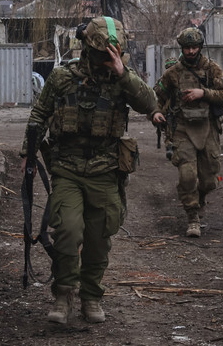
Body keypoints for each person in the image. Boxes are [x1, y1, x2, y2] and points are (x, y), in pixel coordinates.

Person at [20, 16, 156, 324]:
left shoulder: (122, 79)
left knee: (98, 239)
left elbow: (150, 103)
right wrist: (28, 154)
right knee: (67, 231)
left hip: (106, 170)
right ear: (88, 50)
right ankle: (63, 294)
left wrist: (123, 74)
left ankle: (91, 297)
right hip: (67, 168)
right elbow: (39, 114)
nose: (107, 59)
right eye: (102, 53)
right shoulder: (62, 78)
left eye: (114, 53)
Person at [150, 27, 223, 237]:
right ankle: (192, 217)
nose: (191, 51)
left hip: (208, 128)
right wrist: (156, 113)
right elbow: (157, 97)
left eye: (194, 47)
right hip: (182, 129)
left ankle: (201, 196)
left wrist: (202, 92)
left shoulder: (212, 69)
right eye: (187, 48)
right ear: (182, 48)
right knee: (187, 176)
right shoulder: (172, 73)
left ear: (200, 47)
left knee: (210, 178)